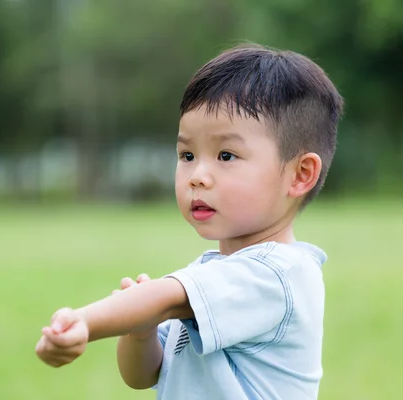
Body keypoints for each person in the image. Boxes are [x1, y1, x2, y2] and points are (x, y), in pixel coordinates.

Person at [35, 43, 344, 400]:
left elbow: (165, 298)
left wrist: (85, 321)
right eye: (187, 155)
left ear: (299, 175)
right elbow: (144, 374)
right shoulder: (213, 271)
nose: (198, 175)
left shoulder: (278, 275)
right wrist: (140, 331)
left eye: (226, 155)